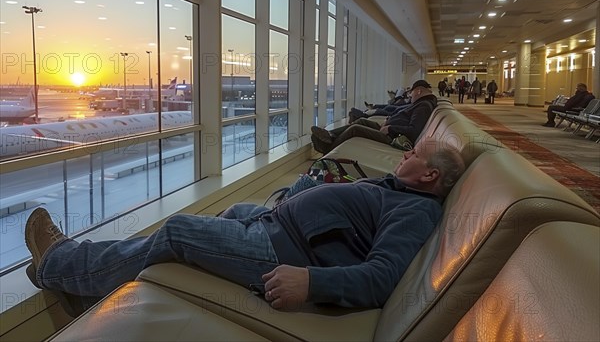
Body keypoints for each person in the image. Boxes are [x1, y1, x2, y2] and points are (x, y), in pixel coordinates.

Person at [25, 141, 466, 315]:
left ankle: (58, 262)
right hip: (275, 224)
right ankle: (90, 288)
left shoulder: (416, 212)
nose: (404, 153)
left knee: (179, 230)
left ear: (429, 176)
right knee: (232, 208)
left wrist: (312, 282)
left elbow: (383, 278)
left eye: (415, 153)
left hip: (281, 253)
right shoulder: (400, 191)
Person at [311, 80, 437, 154]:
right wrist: (389, 122)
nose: (410, 95)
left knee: (355, 129)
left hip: (394, 138)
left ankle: (329, 149)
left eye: (412, 92)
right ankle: (329, 135)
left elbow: (414, 130)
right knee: (361, 121)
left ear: (419, 91)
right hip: (391, 131)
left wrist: (390, 128)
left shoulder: (423, 106)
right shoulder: (422, 104)